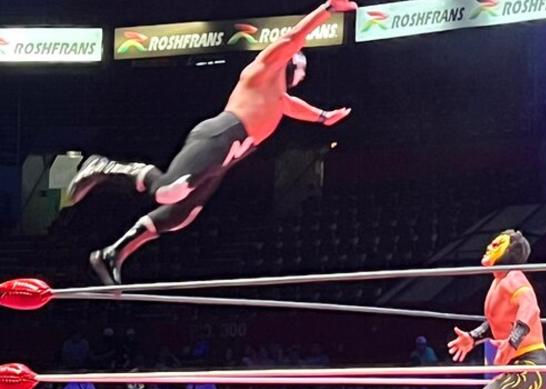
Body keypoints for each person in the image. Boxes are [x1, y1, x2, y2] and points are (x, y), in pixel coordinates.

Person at [66, 0, 358, 285]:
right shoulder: (262, 70)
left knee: (181, 215)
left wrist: (323, 117)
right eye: (301, 67)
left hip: (228, 157)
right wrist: (327, 9)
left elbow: (293, 106)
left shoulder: (279, 98)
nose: (303, 75)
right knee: (168, 191)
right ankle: (105, 166)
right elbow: (293, 38)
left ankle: (112, 254)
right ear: (290, 62)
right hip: (220, 135)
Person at [447, 230, 546, 389]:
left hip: (532, 365)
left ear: (509, 252)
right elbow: (496, 321)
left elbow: (530, 308)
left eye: (495, 245)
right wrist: (473, 337)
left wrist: (512, 342)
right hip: (516, 367)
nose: (488, 247)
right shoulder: (499, 281)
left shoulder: (514, 276)